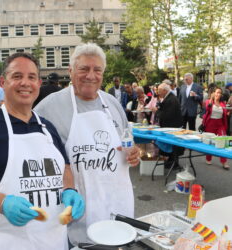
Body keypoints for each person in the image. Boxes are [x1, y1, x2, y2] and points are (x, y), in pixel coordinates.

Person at [35, 43, 140, 246]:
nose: (91, 75)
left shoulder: (113, 104)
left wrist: (134, 152)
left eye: (97, 70)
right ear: (71, 71)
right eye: (84, 69)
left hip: (116, 201)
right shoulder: (48, 107)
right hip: (75, 208)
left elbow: (128, 141)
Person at [0, 52, 85, 250]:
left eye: (31, 77)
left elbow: (64, 166)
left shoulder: (47, 127)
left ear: (38, 83)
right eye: (17, 76)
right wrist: (1, 203)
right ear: (3, 82)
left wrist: (70, 189)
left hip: (54, 241)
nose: (25, 83)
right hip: (3, 241)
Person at [202, 87, 229, 169]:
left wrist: (227, 112)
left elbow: (225, 112)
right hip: (210, 124)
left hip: (220, 124)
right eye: (217, 92)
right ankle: (208, 158)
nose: (218, 94)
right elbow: (207, 108)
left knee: (224, 142)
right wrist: (211, 100)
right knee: (210, 142)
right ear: (213, 93)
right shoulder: (208, 102)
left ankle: (224, 162)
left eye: (220, 93)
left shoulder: (223, 103)